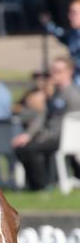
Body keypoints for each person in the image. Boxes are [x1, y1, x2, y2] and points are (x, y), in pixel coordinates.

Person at [12, 56, 80, 190]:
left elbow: (69, 123)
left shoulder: (72, 94)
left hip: (64, 138)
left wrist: (43, 136)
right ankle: (34, 185)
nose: (54, 74)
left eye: (58, 71)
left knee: (30, 148)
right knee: (22, 146)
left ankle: (41, 186)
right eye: (52, 70)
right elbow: (42, 117)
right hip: (51, 136)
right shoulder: (55, 93)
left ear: (69, 72)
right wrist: (28, 134)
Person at [42, 0, 80, 87]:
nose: (69, 16)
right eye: (70, 12)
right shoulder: (74, 35)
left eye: (74, 13)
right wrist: (48, 24)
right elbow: (61, 35)